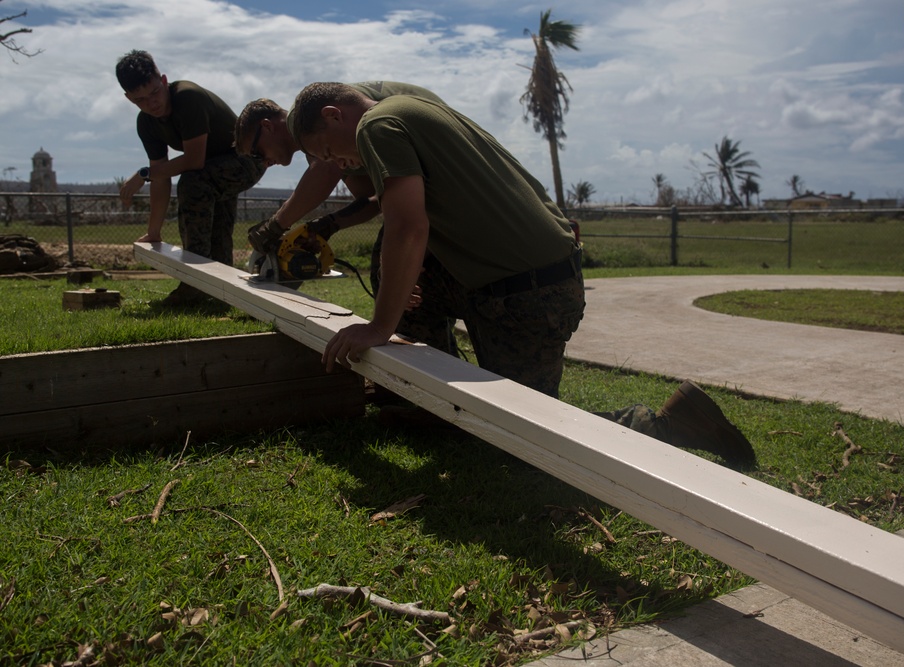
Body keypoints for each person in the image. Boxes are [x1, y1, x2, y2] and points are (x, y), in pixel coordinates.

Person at [289, 82, 757, 468]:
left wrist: (378, 327)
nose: (338, 164)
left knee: (522, 440)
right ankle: (424, 404)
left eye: (328, 151)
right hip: (522, 275)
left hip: (531, 295)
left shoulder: (377, 125)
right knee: (408, 278)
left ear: (334, 114)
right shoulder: (404, 102)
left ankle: (669, 424)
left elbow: (408, 225)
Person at [239, 82, 459, 356]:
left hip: (446, 185)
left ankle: (425, 368)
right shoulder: (339, 145)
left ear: (268, 126)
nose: (262, 163)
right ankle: (427, 362)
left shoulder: (309, 119)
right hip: (432, 187)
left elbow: (324, 171)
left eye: (258, 153)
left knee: (396, 271)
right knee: (399, 276)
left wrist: (274, 226)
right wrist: (327, 226)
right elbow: (373, 199)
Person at [116, 50, 266, 306]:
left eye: (154, 92)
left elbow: (193, 160)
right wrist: (153, 232)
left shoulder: (187, 97)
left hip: (248, 158)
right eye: (141, 99)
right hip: (213, 169)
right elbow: (162, 178)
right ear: (129, 99)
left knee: (192, 183)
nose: (152, 103)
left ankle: (194, 283)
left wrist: (144, 175)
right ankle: (224, 294)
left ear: (163, 81)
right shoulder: (147, 124)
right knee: (217, 226)